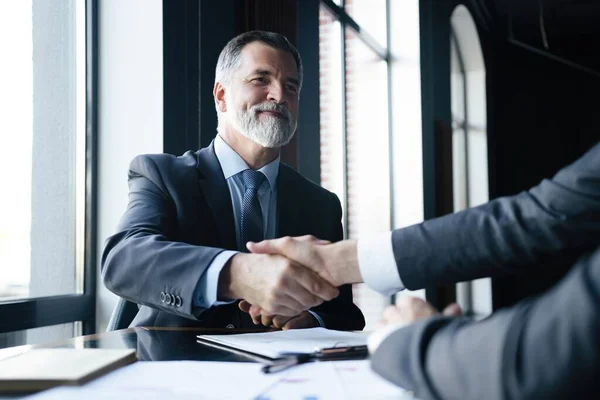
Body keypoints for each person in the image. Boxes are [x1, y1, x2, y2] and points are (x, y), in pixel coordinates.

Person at [246, 142, 600, 399]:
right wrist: (338, 262)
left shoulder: (319, 201)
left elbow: (562, 347)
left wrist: (416, 344)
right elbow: (538, 216)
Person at [101, 31, 364, 331]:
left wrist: (310, 320)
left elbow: (344, 314)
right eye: (260, 79)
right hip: (177, 365)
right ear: (221, 96)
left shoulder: (322, 205)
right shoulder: (161, 175)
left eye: (291, 86)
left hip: (282, 371)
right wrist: (236, 274)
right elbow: (123, 260)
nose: (279, 95)